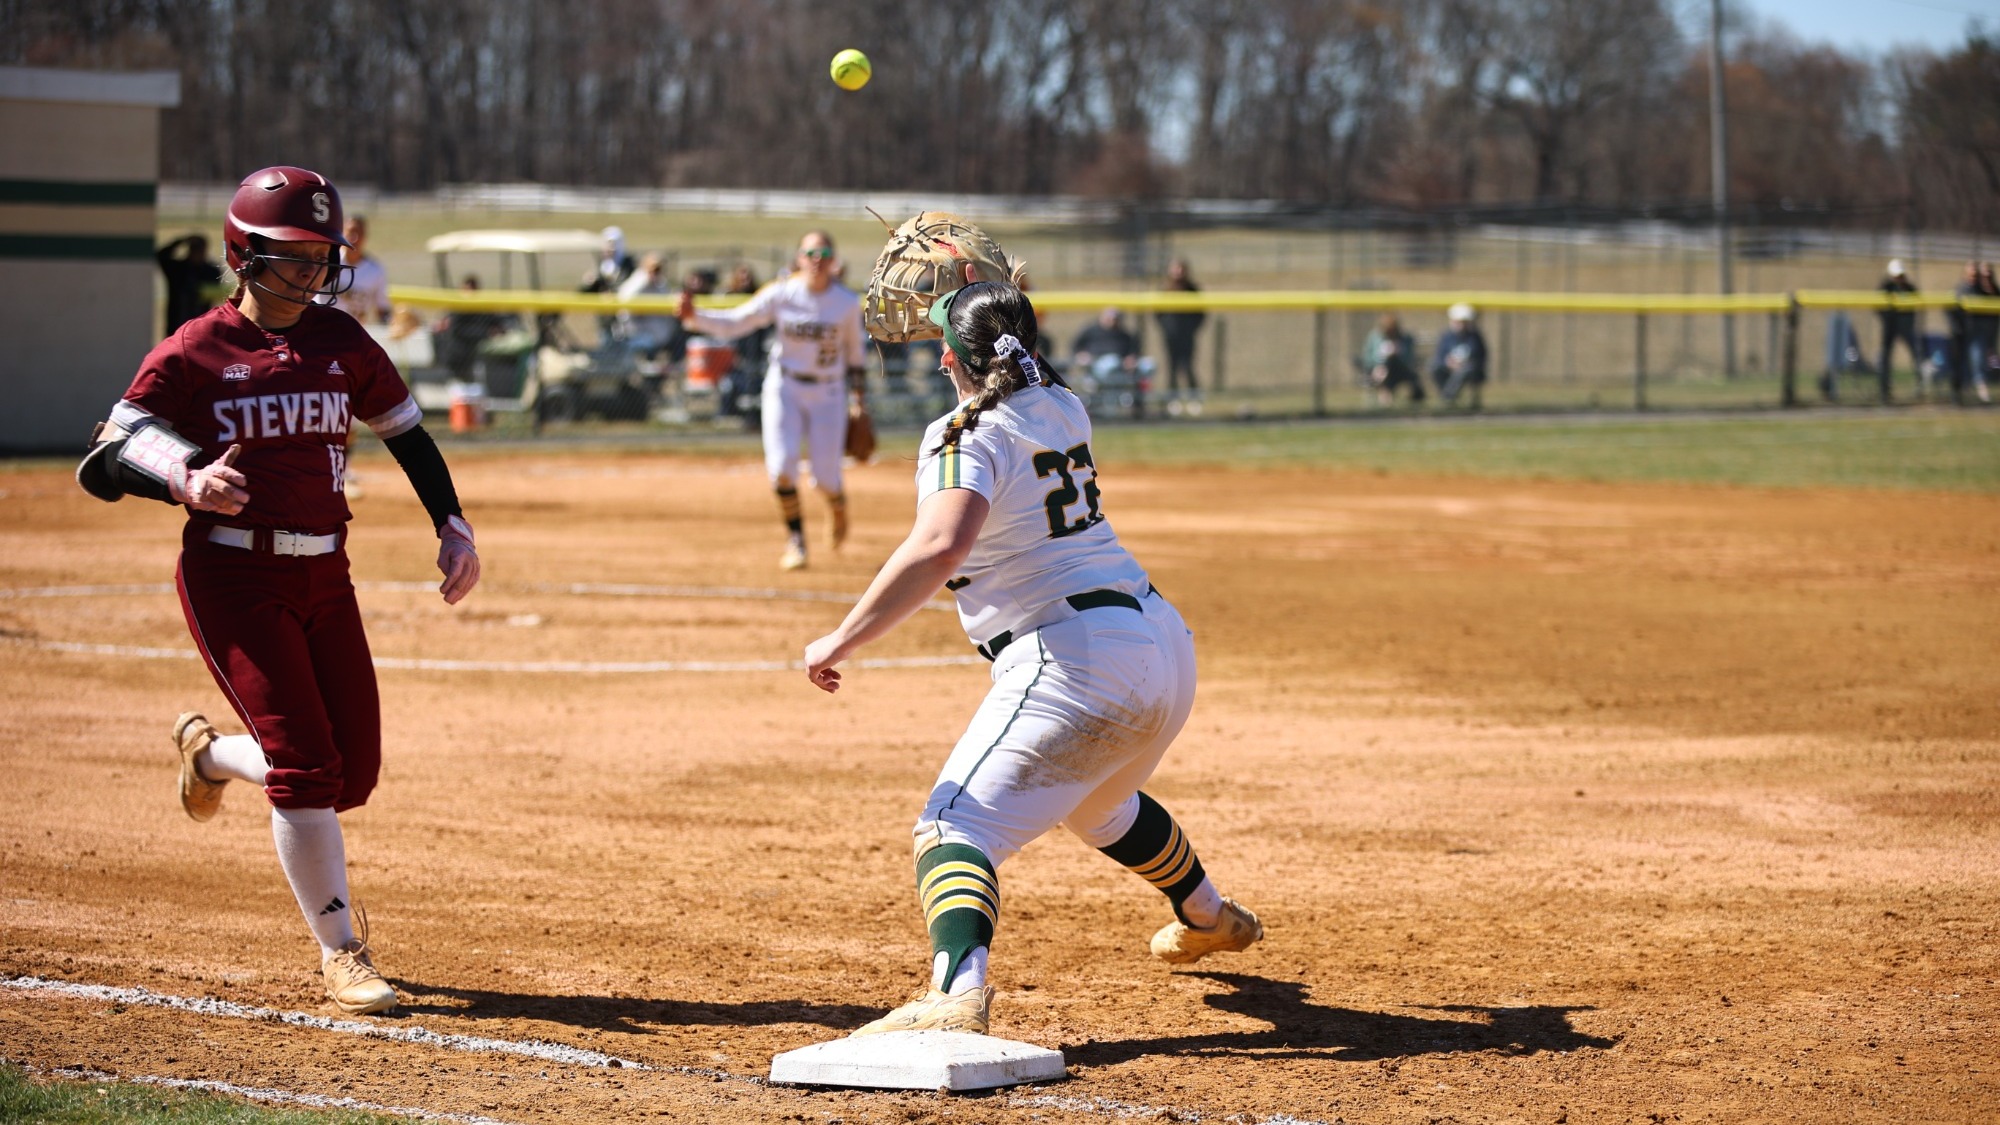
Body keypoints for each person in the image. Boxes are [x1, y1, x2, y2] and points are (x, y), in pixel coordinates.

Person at [802, 281, 1263, 1037]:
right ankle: (1208, 914)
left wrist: (840, 637)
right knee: (1098, 805)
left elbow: (940, 545)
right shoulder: (1062, 403)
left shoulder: (960, 434)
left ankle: (956, 991)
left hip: (1077, 660)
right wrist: (989, 296)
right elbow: (1013, 358)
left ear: (947, 355)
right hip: (1161, 645)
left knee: (953, 828)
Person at [75, 166, 480, 1016]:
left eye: (321, 254)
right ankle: (342, 952)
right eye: (294, 254)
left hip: (326, 571)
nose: (313, 271)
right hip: (234, 572)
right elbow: (107, 457)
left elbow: (406, 434)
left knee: (351, 774)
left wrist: (452, 521)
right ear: (243, 255)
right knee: (306, 767)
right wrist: (183, 478)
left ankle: (211, 755)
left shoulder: (341, 341)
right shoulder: (194, 348)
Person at [677, 231, 865, 571]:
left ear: (833, 259)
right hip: (785, 387)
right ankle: (796, 541)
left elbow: (856, 356)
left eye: (823, 252)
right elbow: (738, 321)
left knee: (825, 477)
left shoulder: (846, 303)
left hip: (829, 393)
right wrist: (695, 316)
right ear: (799, 258)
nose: (817, 259)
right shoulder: (783, 294)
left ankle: (836, 503)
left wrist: (859, 402)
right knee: (781, 467)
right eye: (810, 253)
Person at [431, 275, 517, 381]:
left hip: (475, 355)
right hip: (458, 355)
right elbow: (459, 330)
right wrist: (487, 333)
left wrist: (500, 328)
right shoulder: (459, 308)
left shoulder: (481, 307)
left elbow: (493, 320)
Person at [317, 215, 391, 326]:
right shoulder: (328, 261)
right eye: (350, 232)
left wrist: (391, 326)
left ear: (365, 237)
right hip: (320, 326)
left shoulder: (375, 270)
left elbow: (382, 310)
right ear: (342, 234)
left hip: (352, 332)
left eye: (359, 233)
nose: (354, 238)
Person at [1155, 259, 1206, 413]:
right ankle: (1173, 400)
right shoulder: (1165, 290)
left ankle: (1194, 399)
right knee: (1172, 367)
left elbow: (1201, 313)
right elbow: (1157, 313)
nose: (1178, 272)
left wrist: (1192, 328)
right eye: (1175, 269)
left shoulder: (1192, 289)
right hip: (1171, 335)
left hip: (1187, 335)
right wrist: (1166, 327)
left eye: (1180, 269)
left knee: (1188, 366)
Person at [156, 234, 224, 336]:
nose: (198, 254)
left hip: (200, 325)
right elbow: (161, 256)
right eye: (195, 249)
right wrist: (181, 241)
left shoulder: (211, 272)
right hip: (177, 324)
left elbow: (216, 294)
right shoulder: (177, 269)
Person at [1878, 259, 1921, 404]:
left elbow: (1916, 303)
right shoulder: (1885, 287)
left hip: (1906, 326)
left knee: (1916, 353)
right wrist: (1887, 318)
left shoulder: (1910, 288)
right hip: (1890, 326)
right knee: (1885, 356)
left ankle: (1920, 385)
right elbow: (1878, 307)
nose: (1898, 279)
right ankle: (1884, 389)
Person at [1429, 303, 1488, 408]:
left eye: (1464, 322)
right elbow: (1440, 357)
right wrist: (1448, 363)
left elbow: (1479, 358)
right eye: (1459, 321)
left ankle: (1447, 397)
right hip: (1450, 368)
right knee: (1433, 366)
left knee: (1465, 370)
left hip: (1468, 370)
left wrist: (1463, 364)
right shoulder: (1446, 337)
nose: (1461, 325)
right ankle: (1447, 396)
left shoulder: (1475, 337)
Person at [618, 253, 676, 358]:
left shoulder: (661, 284)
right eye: (653, 269)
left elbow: (668, 302)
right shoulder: (637, 282)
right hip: (635, 333)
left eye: (658, 269)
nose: (655, 273)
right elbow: (625, 305)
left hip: (659, 336)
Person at [1362, 314, 1425, 405]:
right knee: (1383, 370)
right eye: (1387, 330)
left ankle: (1389, 394)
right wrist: (1377, 364)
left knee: (1414, 384)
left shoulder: (1405, 338)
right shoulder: (1374, 337)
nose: (1390, 333)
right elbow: (1367, 357)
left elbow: (1410, 359)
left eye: (1392, 330)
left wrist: (1399, 353)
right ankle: (1385, 393)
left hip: (1401, 369)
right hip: (1380, 369)